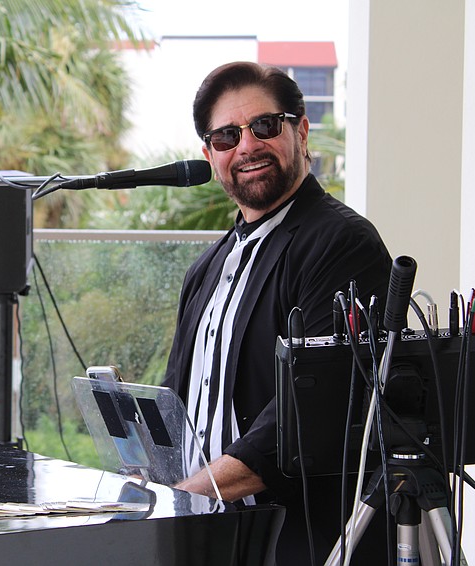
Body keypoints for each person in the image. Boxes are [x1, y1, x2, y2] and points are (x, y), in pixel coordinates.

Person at [162, 61, 392, 563]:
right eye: (226, 137)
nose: (246, 146)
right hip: (212, 536)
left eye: (263, 126)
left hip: (302, 539)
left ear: (301, 130)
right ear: (209, 155)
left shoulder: (341, 242)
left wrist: (190, 494)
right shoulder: (207, 267)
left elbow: (309, 412)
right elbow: (179, 394)